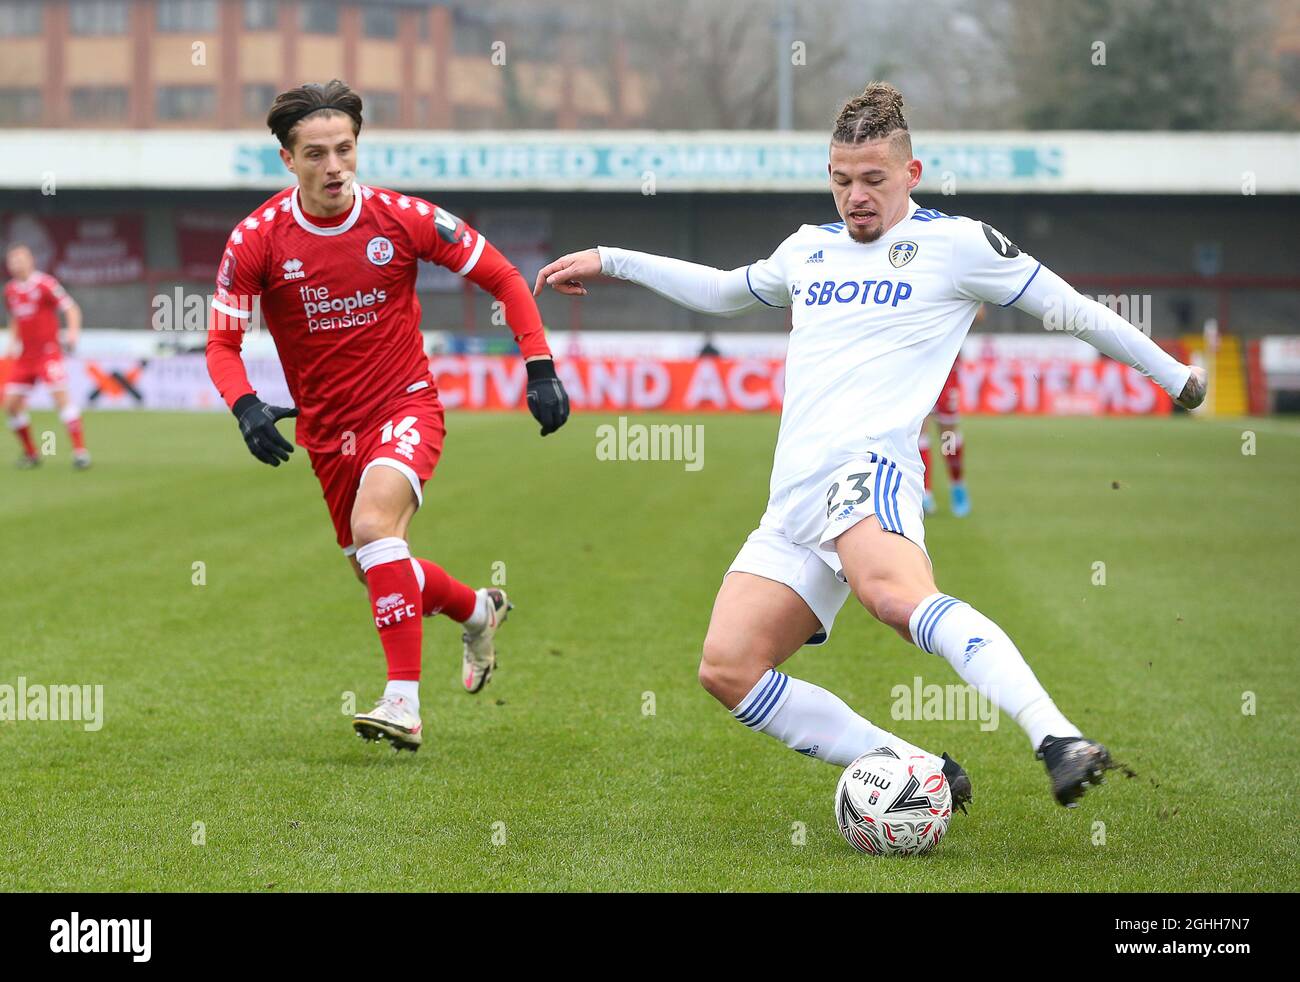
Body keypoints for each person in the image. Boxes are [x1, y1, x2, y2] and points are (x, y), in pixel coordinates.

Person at [535, 82, 1206, 808]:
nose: (855, 196)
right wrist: (610, 256)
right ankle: (920, 767)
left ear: (910, 176)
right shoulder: (807, 251)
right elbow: (723, 290)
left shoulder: (956, 246)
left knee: (893, 597)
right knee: (729, 668)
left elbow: (1070, 309)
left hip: (869, 469)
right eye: (841, 180)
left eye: (873, 180)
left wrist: (1175, 376)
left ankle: (1057, 737)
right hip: (792, 499)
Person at [206, 80, 570, 751]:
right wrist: (245, 406)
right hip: (324, 431)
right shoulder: (256, 240)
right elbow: (222, 346)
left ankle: (403, 702)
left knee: (376, 526)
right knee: (377, 565)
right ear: (288, 160)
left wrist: (539, 365)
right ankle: (477, 609)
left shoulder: (402, 219)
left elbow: (504, 277)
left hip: (403, 406)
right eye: (315, 154)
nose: (334, 166)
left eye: (344, 149)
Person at [3, 243, 90, 469]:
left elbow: (71, 308)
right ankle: (32, 454)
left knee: (61, 400)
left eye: (20, 259)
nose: (16, 264)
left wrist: (72, 333)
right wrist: (12, 342)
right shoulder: (10, 290)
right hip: (25, 358)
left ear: (31, 260)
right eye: (12, 260)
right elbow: (15, 318)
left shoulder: (45, 284)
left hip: (48, 354)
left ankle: (80, 452)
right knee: (10, 404)